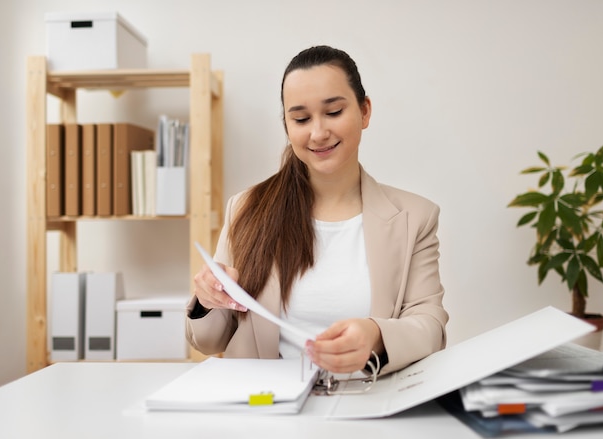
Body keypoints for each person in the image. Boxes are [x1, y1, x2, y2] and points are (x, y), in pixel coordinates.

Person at [187, 45, 448, 376]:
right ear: (287, 125)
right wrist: (207, 298)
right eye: (300, 119)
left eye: (334, 112)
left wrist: (376, 335)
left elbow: (430, 326)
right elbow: (209, 341)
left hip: (368, 408)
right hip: (270, 413)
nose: (318, 133)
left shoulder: (415, 217)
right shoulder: (246, 209)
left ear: (364, 111)